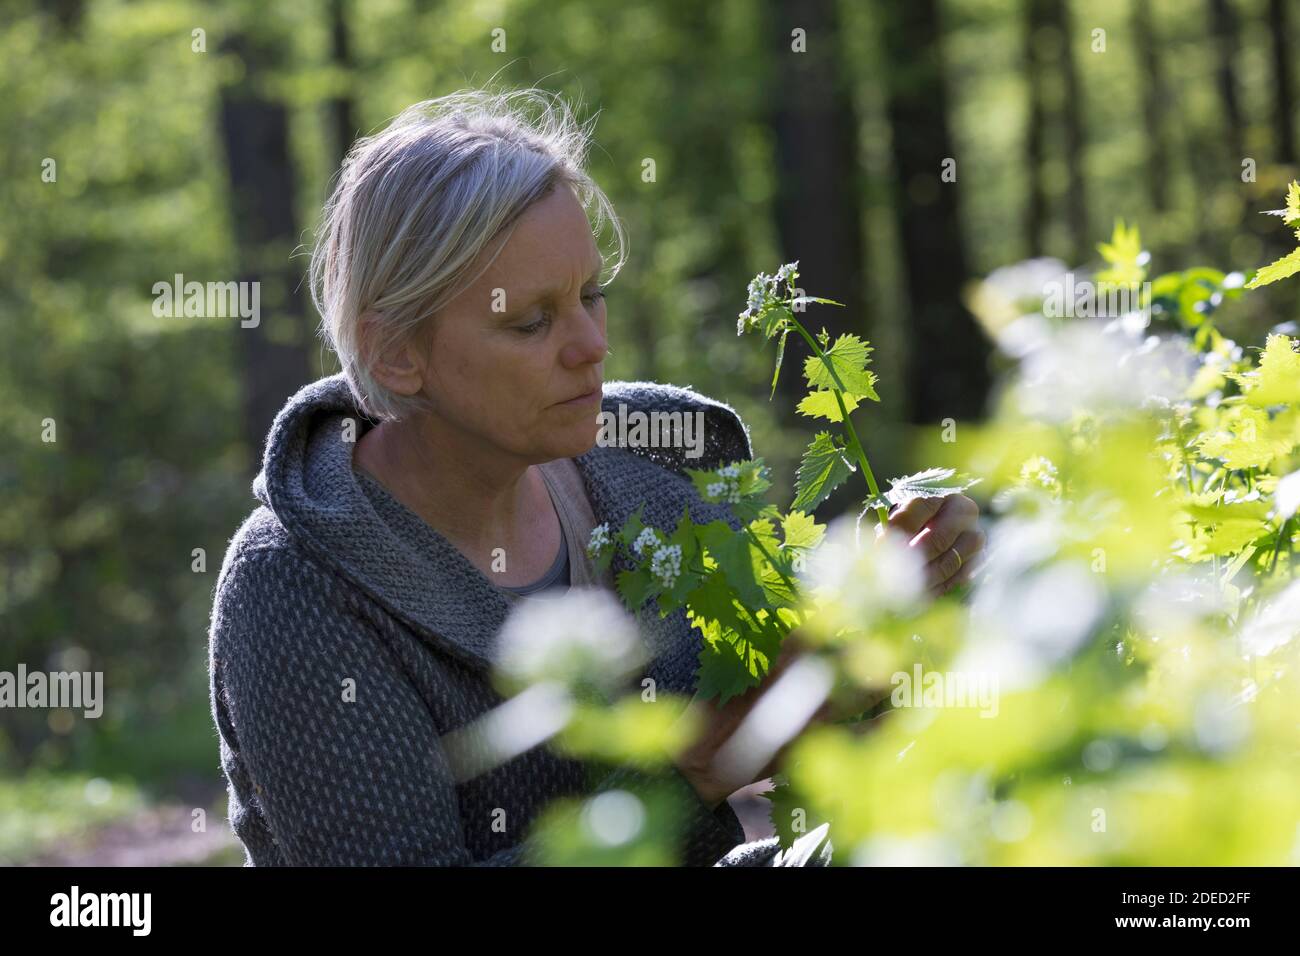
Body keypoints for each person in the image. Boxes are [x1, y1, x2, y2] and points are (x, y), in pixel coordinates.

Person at [206, 87, 985, 867]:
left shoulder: (655, 472)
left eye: (590, 297)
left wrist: (885, 647)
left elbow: (811, 752)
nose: (590, 347)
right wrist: (699, 771)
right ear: (395, 355)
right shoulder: (295, 588)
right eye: (531, 322)